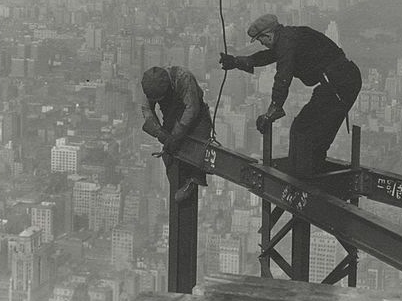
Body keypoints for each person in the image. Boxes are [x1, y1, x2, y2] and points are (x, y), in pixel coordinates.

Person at [220, 15, 361, 177]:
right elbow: (267, 57)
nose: (263, 44)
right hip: (341, 82)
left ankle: (304, 181)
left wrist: (272, 111)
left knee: (303, 130)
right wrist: (236, 62)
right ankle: (310, 176)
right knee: (312, 134)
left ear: (268, 35)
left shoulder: (286, 42)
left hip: (339, 84)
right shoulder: (288, 38)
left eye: (261, 40)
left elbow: (283, 77)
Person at [140, 66, 211, 203]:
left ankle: (194, 180)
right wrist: (158, 130)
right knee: (170, 154)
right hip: (172, 118)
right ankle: (179, 184)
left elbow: (192, 109)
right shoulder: (150, 85)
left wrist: (176, 135)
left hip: (197, 120)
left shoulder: (183, 78)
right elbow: (146, 108)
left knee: (196, 154)